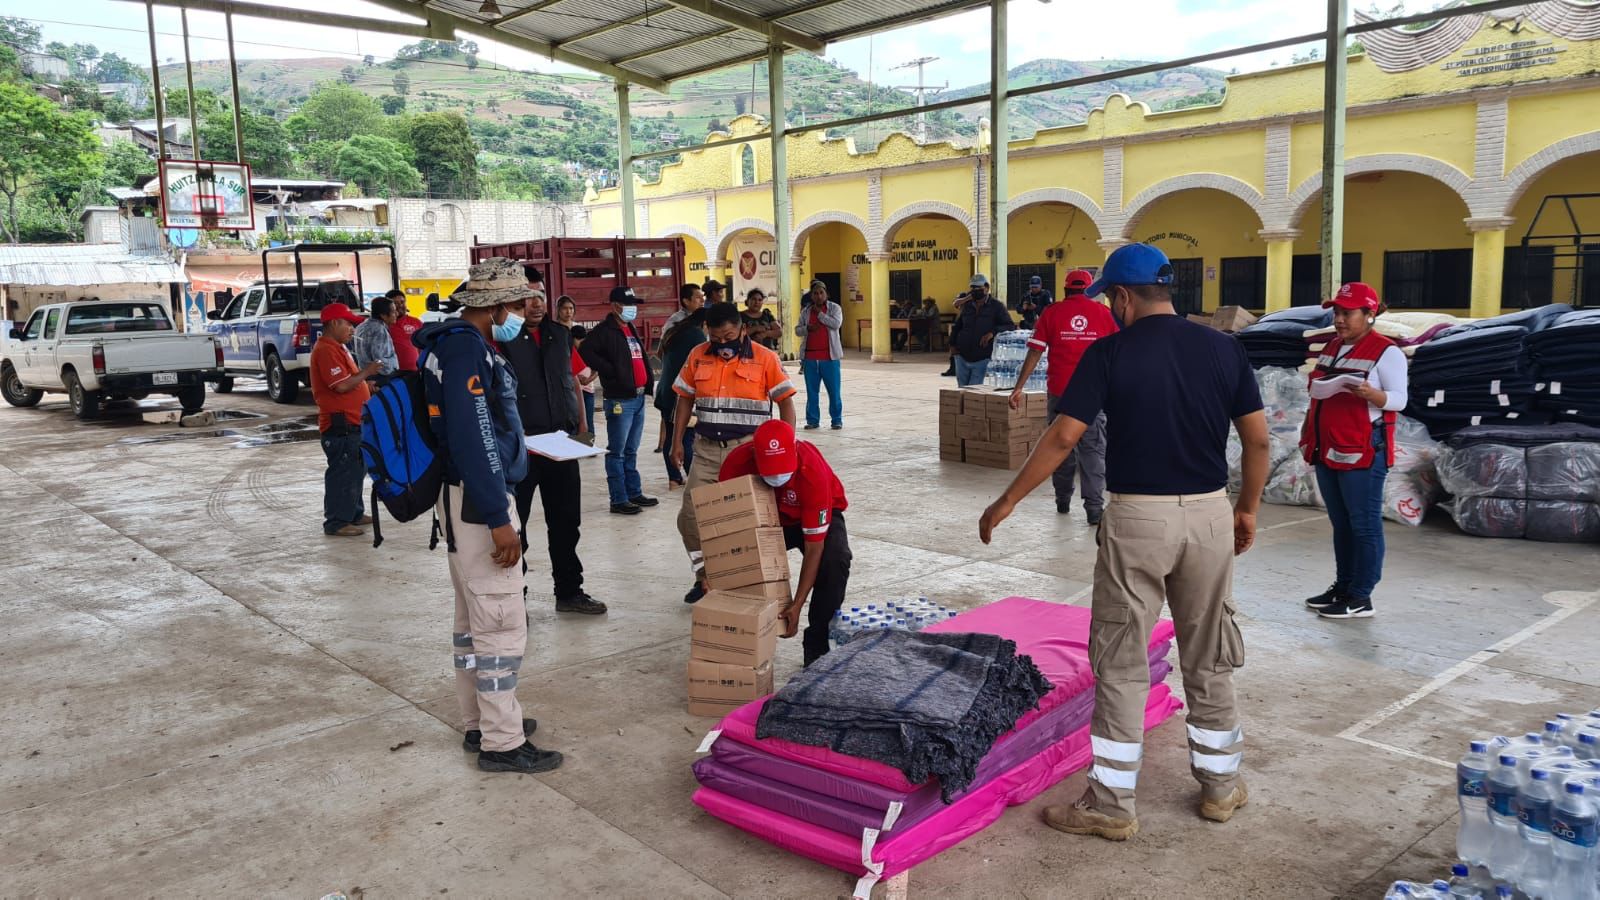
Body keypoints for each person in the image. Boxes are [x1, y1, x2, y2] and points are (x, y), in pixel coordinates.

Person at [977, 243, 1270, 841]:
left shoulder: (1109, 353)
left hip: (1138, 520)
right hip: (1210, 516)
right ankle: (1219, 788)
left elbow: (1063, 438)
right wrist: (1246, 510)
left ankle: (1112, 804)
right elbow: (1259, 442)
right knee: (1209, 652)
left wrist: (1006, 500)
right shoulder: (1224, 348)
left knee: (1121, 660)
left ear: (1122, 297)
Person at [414, 257, 560, 774]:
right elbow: (475, 437)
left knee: (472, 620)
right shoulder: (465, 351)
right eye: (518, 303)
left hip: (459, 500)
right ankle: (502, 741)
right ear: (496, 305)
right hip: (479, 503)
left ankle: (481, 721)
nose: (524, 311)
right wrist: (500, 515)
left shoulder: (451, 344)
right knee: (499, 621)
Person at [670, 302, 798, 604]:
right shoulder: (698, 355)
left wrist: (786, 446)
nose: (723, 344)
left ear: (741, 329)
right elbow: (685, 400)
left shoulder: (765, 358)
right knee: (689, 518)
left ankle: (747, 583)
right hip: (706, 452)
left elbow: (786, 403)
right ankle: (705, 577)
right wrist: (677, 442)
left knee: (745, 523)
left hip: (747, 453)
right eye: (716, 338)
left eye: (728, 336)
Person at [1299, 282, 1407, 621]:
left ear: (1369, 315)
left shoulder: (1386, 352)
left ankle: (1361, 596)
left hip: (1363, 451)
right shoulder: (1332, 346)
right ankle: (1343, 586)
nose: (1340, 319)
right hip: (1330, 447)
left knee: (1364, 525)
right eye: (1337, 312)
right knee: (1341, 523)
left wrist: (1372, 395)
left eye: (1348, 313)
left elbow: (1399, 399)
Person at [500, 276, 605, 616]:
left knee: (566, 523)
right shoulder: (501, 339)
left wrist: (583, 426)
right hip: (521, 449)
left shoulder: (559, 335)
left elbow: (571, 378)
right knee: (518, 527)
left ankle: (570, 591)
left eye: (541, 295)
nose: (537, 304)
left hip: (561, 445)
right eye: (528, 297)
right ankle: (517, 598)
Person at [719, 419, 851, 665]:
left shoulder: (812, 472)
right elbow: (724, 528)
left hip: (810, 516)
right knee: (740, 560)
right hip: (766, 520)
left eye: (783, 469)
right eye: (770, 470)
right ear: (754, 454)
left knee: (834, 561)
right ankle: (741, 639)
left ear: (795, 450)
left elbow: (814, 548)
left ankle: (817, 646)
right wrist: (713, 572)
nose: (778, 476)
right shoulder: (736, 465)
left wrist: (796, 604)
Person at [1010, 268, 1117, 523]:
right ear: (1089, 290)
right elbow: (1118, 354)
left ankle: (1062, 499)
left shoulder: (1052, 313)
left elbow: (1035, 352)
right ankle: (1094, 509)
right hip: (1093, 394)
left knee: (1060, 448)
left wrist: (1018, 387)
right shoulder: (1103, 313)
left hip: (1060, 393)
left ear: (1066, 289)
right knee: (1093, 450)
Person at [579, 287, 658, 515]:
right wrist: (610, 370)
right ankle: (619, 499)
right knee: (618, 451)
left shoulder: (629, 327)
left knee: (631, 450)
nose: (634, 308)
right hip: (620, 400)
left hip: (638, 397)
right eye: (629, 304)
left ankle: (633, 492)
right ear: (615, 306)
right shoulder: (604, 331)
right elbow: (585, 351)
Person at [310, 302, 382, 537]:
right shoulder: (326, 350)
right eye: (348, 324)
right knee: (343, 471)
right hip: (340, 425)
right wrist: (366, 373)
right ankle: (337, 521)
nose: (352, 329)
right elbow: (340, 386)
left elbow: (349, 381)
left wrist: (365, 384)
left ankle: (353, 513)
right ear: (334, 323)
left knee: (355, 469)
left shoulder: (338, 348)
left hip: (353, 421)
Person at [657, 285, 707, 488]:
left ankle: (675, 477)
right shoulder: (696, 336)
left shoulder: (679, 329)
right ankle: (687, 478)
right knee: (685, 436)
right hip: (678, 394)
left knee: (674, 434)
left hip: (667, 391)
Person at [793, 279, 844, 430]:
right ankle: (812, 420)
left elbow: (835, 324)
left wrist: (820, 315)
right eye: (815, 293)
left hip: (830, 358)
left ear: (826, 294)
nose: (819, 296)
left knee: (834, 391)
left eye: (821, 293)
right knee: (812, 392)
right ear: (812, 296)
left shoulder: (835, 308)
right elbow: (797, 330)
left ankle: (836, 420)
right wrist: (807, 328)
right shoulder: (806, 312)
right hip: (810, 359)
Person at [950, 273, 1013, 387]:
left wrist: (992, 333)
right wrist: (952, 345)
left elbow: (1009, 325)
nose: (975, 290)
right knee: (962, 390)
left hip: (982, 357)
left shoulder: (996, 306)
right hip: (962, 356)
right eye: (973, 288)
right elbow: (958, 326)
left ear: (987, 288)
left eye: (979, 288)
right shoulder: (967, 306)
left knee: (974, 391)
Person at [352, 295, 400, 379]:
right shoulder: (379, 330)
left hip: (365, 375)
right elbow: (379, 362)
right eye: (393, 311)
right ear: (383, 315)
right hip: (379, 377)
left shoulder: (361, 326)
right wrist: (393, 365)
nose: (397, 314)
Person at [569, 325, 598, 438]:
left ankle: (588, 445)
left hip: (588, 391)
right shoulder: (569, 352)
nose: (581, 342)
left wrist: (588, 380)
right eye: (578, 339)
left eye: (583, 339)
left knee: (588, 419)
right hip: (574, 393)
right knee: (574, 420)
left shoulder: (589, 351)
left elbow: (597, 370)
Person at [387, 289, 424, 372]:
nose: (400, 305)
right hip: (393, 373)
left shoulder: (416, 322)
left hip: (416, 371)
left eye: (402, 302)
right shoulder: (385, 324)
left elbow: (423, 347)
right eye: (395, 303)